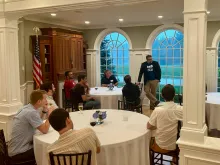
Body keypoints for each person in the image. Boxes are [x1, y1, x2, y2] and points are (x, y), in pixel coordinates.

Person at [8, 90, 55, 164]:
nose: (46, 101)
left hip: (13, 147)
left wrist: (45, 111)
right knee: (47, 150)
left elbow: (38, 123)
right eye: (45, 99)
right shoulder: (31, 112)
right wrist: (50, 115)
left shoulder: (26, 108)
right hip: (19, 152)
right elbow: (45, 130)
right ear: (39, 102)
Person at [147, 84, 183, 154]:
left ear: (162, 96)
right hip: (174, 145)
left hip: (159, 145)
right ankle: (174, 160)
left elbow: (149, 126)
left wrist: (158, 126)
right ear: (174, 94)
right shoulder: (179, 109)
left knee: (148, 139)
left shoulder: (157, 110)